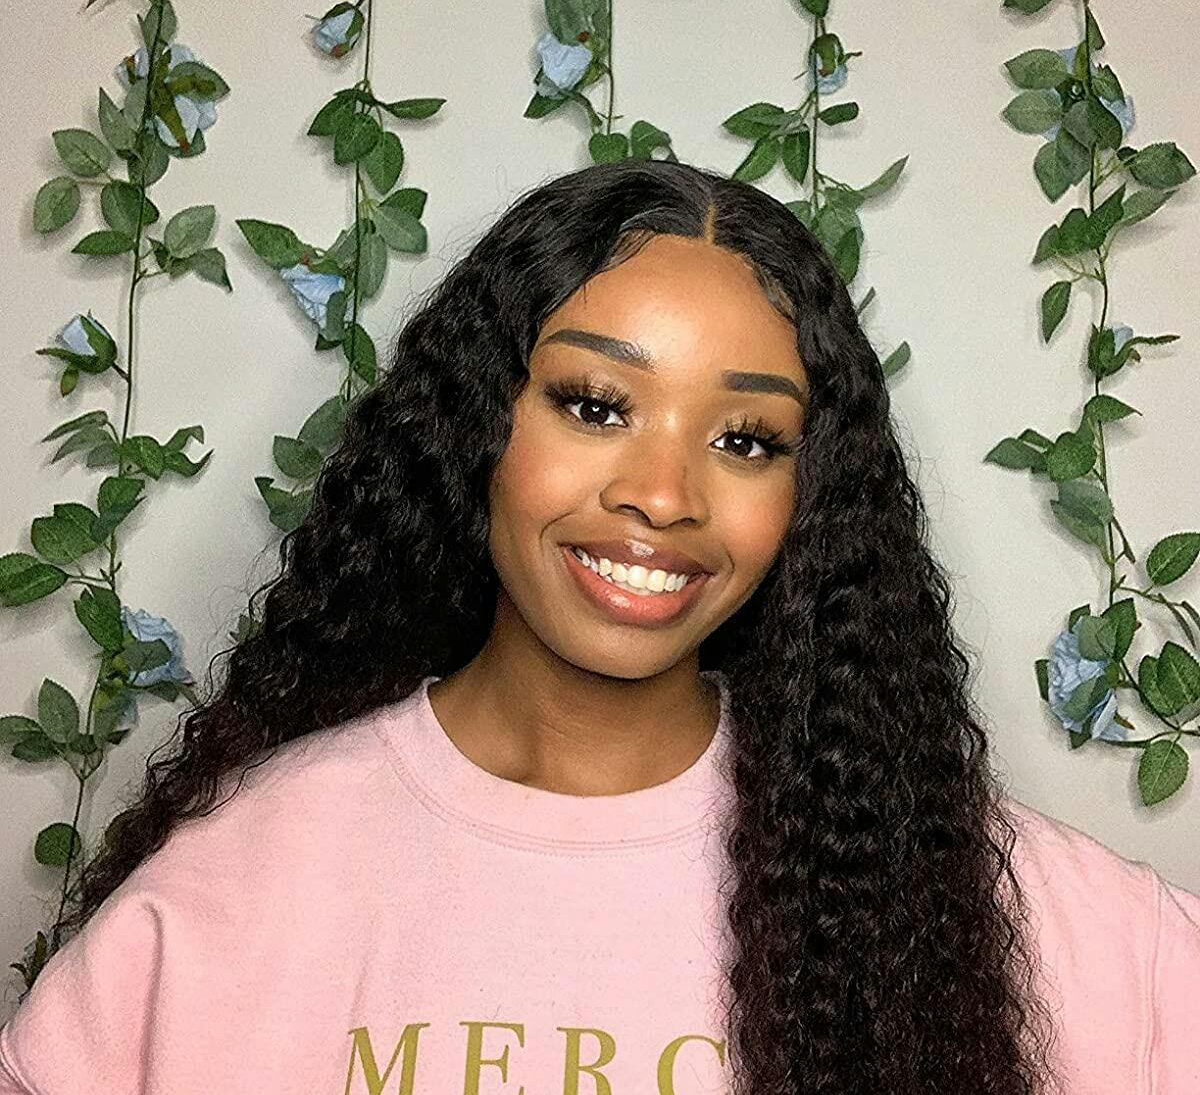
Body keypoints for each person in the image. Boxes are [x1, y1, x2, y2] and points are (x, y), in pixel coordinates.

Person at [0, 157, 1197, 1095]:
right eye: (595, 404)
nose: (664, 496)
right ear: (479, 424)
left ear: (807, 496)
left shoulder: (950, 890)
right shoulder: (228, 886)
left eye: (746, 439)